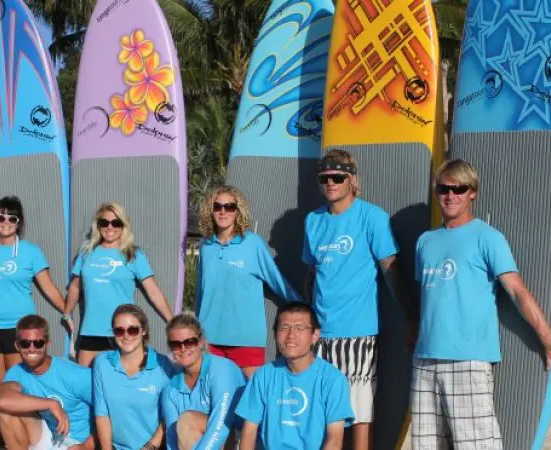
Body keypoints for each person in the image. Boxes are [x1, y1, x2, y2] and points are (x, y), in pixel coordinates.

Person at [411, 159, 551, 449]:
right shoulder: (425, 241)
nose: (449, 195)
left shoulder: (488, 237)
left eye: (458, 188)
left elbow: (516, 291)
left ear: (472, 192)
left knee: (476, 445)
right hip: (424, 360)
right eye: (443, 188)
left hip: (468, 359)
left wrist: (547, 338)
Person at [302, 149, 411, 449]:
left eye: (338, 177)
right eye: (325, 178)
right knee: (324, 414)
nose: (331, 183)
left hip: (359, 333)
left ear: (352, 179)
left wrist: (411, 318)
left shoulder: (371, 216)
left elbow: (391, 271)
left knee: (361, 414)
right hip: (320, 334)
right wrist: (305, 322)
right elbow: (311, 275)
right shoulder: (313, 221)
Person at [0, 196, 66, 446]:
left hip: (18, 330)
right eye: (1, 217)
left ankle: (20, 435)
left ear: (19, 222)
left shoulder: (30, 251)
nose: (6, 222)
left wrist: (66, 310)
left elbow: (48, 287)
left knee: (14, 384)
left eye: (12, 218)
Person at [195, 185, 301, 378]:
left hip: (246, 339)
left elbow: (278, 282)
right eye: (217, 206)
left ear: (238, 211)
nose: (223, 211)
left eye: (229, 206)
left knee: (253, 399)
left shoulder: (253, 244)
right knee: (213, 402)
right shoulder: (205, 246)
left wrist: (304, 311)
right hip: (209, 338)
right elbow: (200, 294)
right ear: (210, 210)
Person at [63, 201, 173, 367]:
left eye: (116, 223)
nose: (110, 227)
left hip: (123, 333)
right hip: (90, 331)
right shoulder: (86, 253)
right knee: (85, 387)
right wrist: (66, 313)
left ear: (123, 226)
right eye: (104, 223)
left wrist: (172, 321)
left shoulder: (132, 254)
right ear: (97, 226)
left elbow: (153, 291)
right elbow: (75, 287)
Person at [236, 302, 354, 449]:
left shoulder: (333, 379)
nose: (291, 335)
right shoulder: (263, 376)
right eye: (285, 328)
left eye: (300, 328)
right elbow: (249, 431)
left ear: (315, 335)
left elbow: (335, 439)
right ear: (274, 334)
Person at [0, 314, 95, 449]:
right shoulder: (16, 372)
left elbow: (112, 412)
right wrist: (51, 404)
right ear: (17, 346)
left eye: (38, 343)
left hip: (76, 442)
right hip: (48, 436)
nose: (32, 349)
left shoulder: (74, 374)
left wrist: (86, 446)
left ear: (47, 344)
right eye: (25, 343)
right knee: (7, 412)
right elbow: (3, 401)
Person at [160, 313, 246, 450]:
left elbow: (220, 427)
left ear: (201, 341)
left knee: (187, 421)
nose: (183, 349)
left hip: (238, 437)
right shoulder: (169, 390)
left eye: (189, 342)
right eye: (175, 344)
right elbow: (172, 439)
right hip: (209, 440)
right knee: (182, 425)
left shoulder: (222, 369)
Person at [93, 304, 172, 450]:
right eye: (119, 331)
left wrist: (149, 447)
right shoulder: (102, 363)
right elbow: (102, 413)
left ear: (144, 330)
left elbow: (169, 415)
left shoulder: (163, 365)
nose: (126, 335)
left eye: (133, 329)